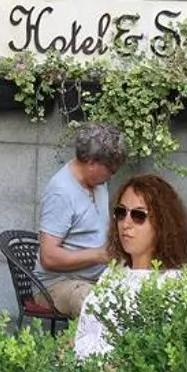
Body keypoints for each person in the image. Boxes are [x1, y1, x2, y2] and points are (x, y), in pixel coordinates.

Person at [74, 173, 187, 359]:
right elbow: (86, 333)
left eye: (138, 215)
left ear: (162, 224)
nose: (126, 223)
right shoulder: (114, 272)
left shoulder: (171, 285)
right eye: (121, 213)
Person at [36, 122, 128, 318]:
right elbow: (48, 257)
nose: (112, 175)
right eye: (110, 170)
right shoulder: (61, 193)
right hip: (57, 285)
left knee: (144, 282)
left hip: (98, 277)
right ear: (92, 162)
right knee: (93, 301)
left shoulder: (97, 183)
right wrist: (98, 255)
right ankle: (83, 348)